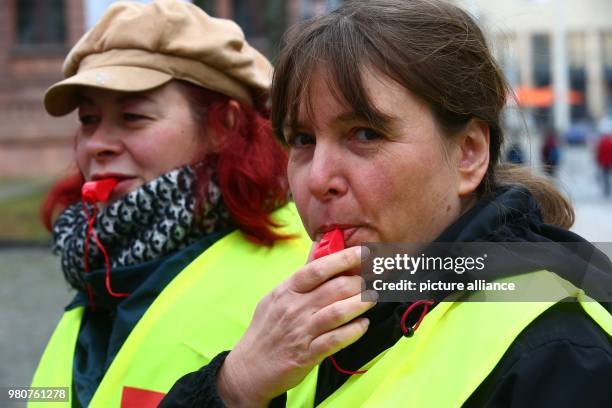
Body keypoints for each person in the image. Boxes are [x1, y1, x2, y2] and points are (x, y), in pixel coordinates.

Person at [162, 0, 612, 407]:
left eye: (364, 133)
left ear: (468, 153)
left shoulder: (559, 351)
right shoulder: (305, 324)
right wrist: (234, 385)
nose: (318, 179)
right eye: (301, 139)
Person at [29, 1, 311, 406]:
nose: (97, 145)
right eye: (89, 120)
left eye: (132, 117)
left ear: (223, 126)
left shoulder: (318, 257)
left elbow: (433, 276)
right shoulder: (95, 258)